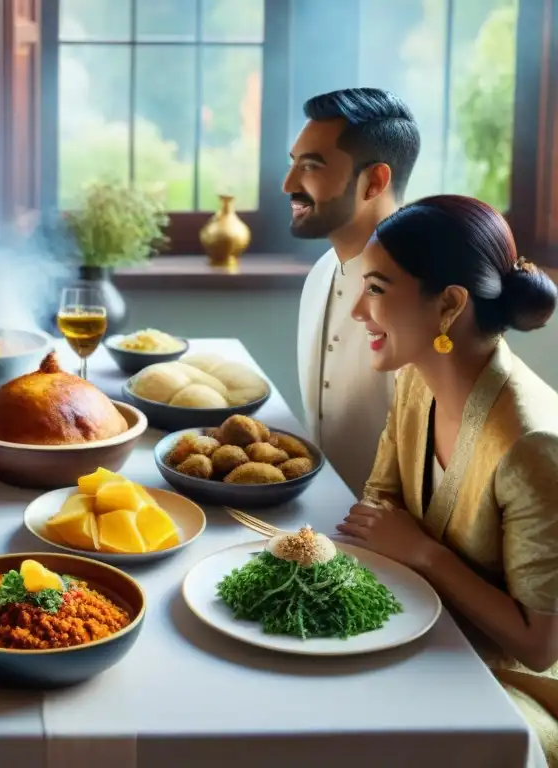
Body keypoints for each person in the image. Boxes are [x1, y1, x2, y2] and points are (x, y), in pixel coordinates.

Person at [339, 195, 558, 766]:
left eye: (378, 290)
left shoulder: (534, 444)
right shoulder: (418, 380)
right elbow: (378, 506)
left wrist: (423, 555)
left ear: (450, 305)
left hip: (512, 688)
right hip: (428, 636)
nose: (359, 311)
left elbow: (539, 645)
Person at [288, 87, 421, 497]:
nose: (288, 184)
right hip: (319, 524)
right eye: (293, 165)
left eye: (311, 167)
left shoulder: (427, 296)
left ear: (375, 181)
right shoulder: (321, 271)